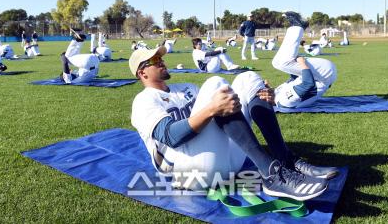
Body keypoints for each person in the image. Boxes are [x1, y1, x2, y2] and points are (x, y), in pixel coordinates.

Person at [129, 46, 338, 200]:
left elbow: (227, 112)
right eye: (154, 60)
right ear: (142, 72)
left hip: (226, 161)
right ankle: (271, 174)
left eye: (160, 57)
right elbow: (171, 137)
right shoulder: (144, 100)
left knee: (248, 78)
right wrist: (212, 108)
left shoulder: (187, 87)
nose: (161, 60)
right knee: (216, 84)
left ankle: (284, 161)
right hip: (189, 173)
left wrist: (260, 95)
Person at [272, 12, 337, 108]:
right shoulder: (284, 101)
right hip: (323, 76)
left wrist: (293, 63)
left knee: (277, 63)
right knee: (282, 63)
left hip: (320, 75)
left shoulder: (276, 94)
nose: (262, 90)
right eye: (260, 94)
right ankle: (298, 27)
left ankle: (296, 27)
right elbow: (308, 84)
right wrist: (301, 63)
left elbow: (295, 79)